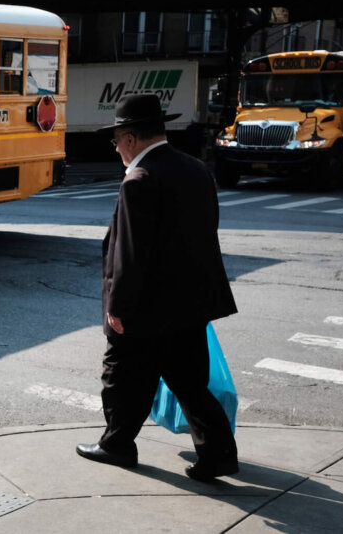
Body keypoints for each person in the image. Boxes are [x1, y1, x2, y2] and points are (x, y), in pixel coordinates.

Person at [75, 94, 240, 482]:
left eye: (116, 140)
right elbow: (204, 234)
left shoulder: (140, 180)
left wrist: (117, 306)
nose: (116, 148)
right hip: (191, 301)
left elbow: (130, 254)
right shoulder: (196, 168)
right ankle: (217, 454)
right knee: (189, 381)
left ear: (130, 138)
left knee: (120, 375)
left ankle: (117, 444)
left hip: (147, 307)